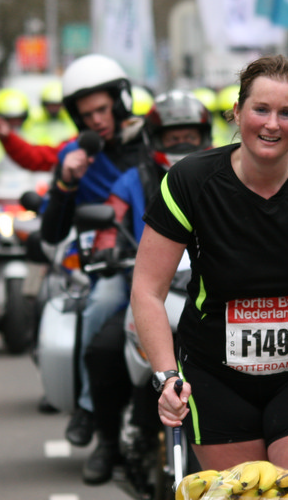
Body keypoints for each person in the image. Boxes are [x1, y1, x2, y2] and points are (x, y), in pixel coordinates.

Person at [131, 55, 288, 500]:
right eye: (261, 109)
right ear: (237, 113)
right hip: (215, 378)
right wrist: (166, 377)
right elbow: (147, 289)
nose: (272, 124)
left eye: (286, 113)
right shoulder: (190, 180)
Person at [79, 89, 213, 485]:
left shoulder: (226, 175)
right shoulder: (131, 179)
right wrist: (106, 249)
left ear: (204, 135)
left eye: (189, 135)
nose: (181, 143)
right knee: (103, 349)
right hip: (147, 292)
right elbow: (108, 225)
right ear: (155, 139)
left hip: (208, 294)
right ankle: (107, 442)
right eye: (173, 137)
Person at [39, 54, 150, 460]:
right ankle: (89, 408)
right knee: (102, 302)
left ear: (121, 103)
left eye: (103, 109)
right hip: (112, 265)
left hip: (171, 260)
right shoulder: (75, 157)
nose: (97, 120)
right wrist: (66, 183)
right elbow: (52, 232)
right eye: (87, 115)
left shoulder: (151, 143)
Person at [22, 81, 78, 147]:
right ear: (44, 104)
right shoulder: (33, 120)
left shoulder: (70, 119)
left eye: (57, 105)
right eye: (51, 105)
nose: (54, 108)